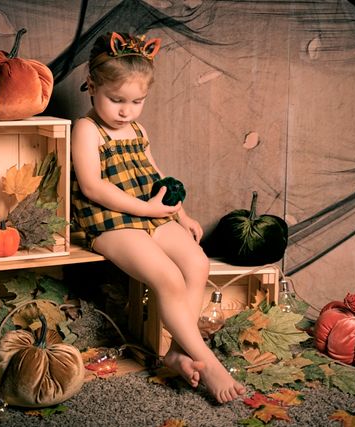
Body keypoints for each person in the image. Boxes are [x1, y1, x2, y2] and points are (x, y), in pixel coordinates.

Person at [71, 32, 245, 403]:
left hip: (150, 211)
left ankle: (177, 351)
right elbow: (93, 187)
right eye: (116, 100)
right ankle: (207, 360)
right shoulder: (87, 130)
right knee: (166, 277)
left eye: (137, 101)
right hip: (109, 220)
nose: (126, 110)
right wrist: (149, 210)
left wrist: (181, 214)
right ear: (92, 86)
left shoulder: (137, 129)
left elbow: (155, 174)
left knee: (197, 263)